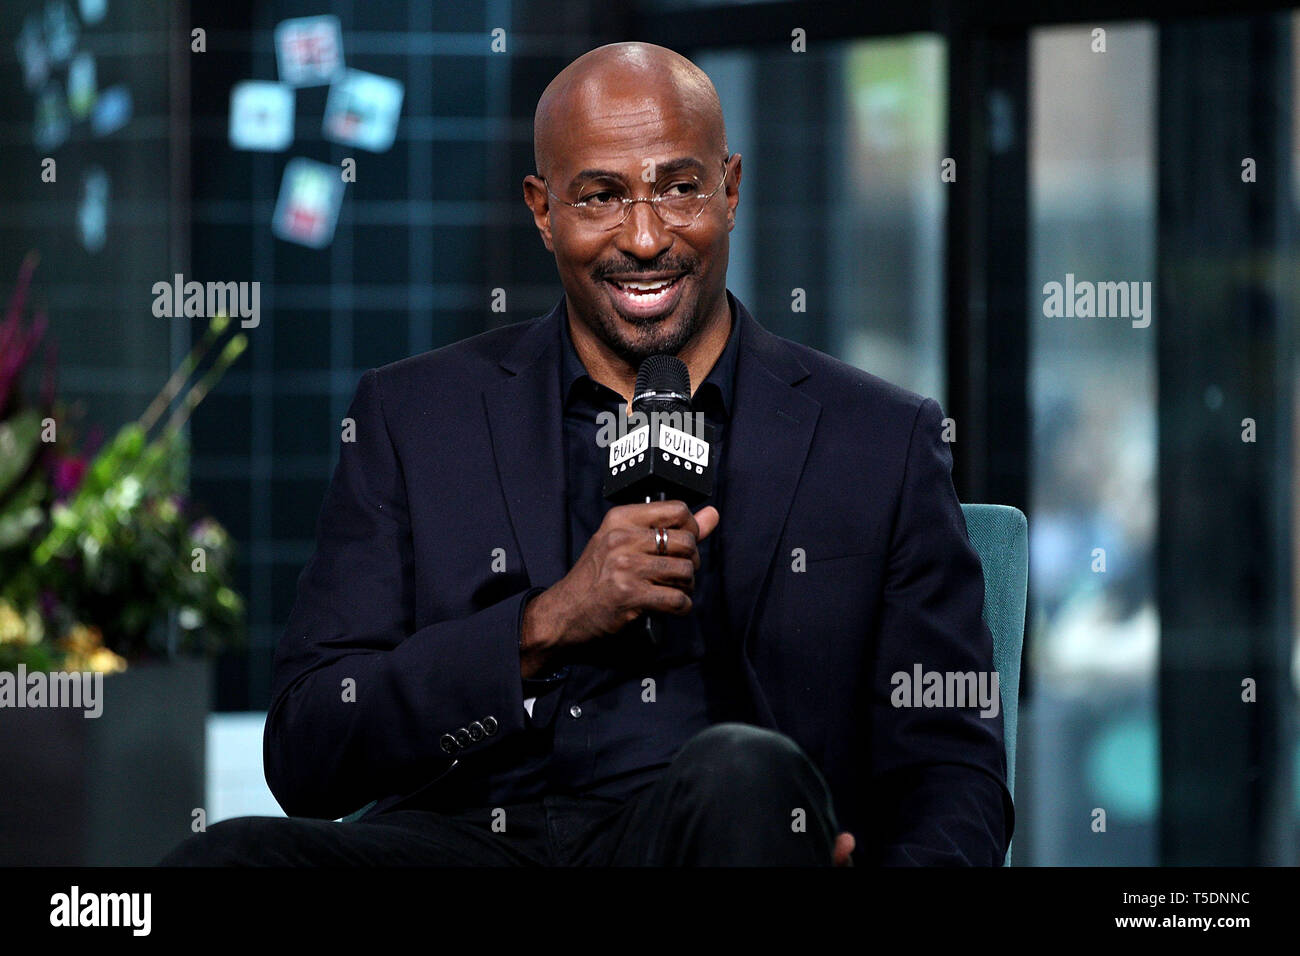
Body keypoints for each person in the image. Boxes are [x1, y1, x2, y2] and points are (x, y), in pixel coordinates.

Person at [160, 41, 1012, 867]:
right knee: (228, 859)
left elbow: (954, 772)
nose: (644, 239)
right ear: (542, 209)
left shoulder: (878, 439)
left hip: (722, 832)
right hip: (468, 842)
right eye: (600, 197)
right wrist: (543, 626)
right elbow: (309, 747)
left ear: (731, 187)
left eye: (679, 187)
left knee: (744, 775)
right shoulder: (415, 417)